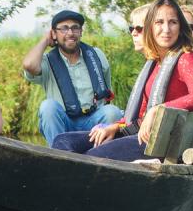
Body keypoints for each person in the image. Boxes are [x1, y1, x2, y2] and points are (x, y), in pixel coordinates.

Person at [52, 0, 193, 161]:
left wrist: (157, 110)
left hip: (159, 141)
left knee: (92, 156)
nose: (166, 29)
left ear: (180, 26)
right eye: (159, 22)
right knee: (63, 141)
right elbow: (139, 114)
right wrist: (115, 127)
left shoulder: (185, 58)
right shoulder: (155, 62)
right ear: (150, 28)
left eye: (173, 22)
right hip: (137, 133)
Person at [22, 9, 122, 145]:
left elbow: (106, 93)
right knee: (48, 107)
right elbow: (29, 65)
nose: (70, 33)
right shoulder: (46, 61)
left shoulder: (97, 55)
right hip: (64, 122)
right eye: (63, 28)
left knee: (112, 112)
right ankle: (58, 155)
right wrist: (45, 40)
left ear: (81, 32)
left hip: (94, 122)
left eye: (75, 28)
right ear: (54, 34)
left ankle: (102, 155)